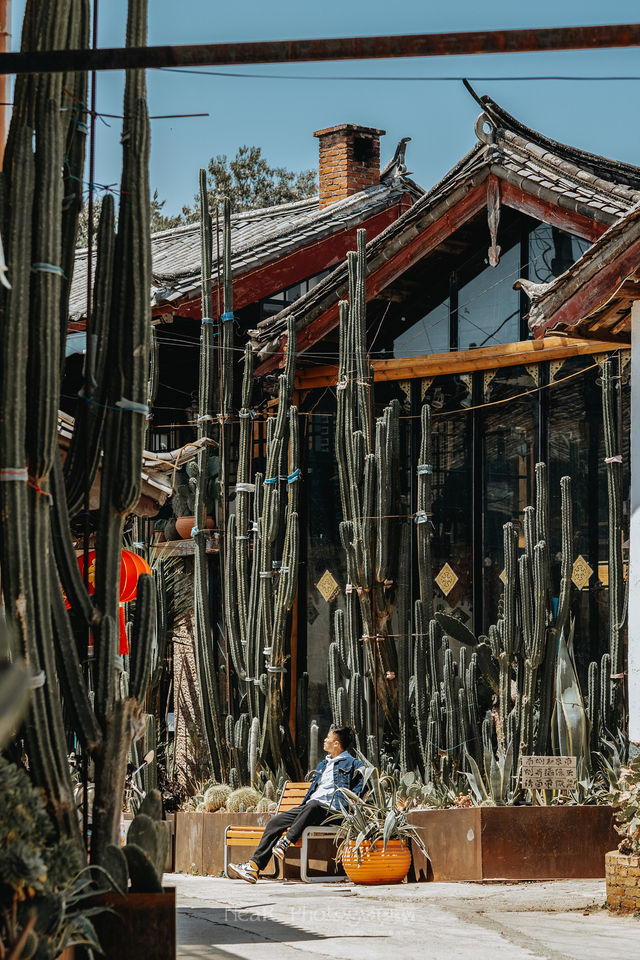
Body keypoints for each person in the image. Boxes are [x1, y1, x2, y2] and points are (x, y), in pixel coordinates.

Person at [227, 724, 364, 883]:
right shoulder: (323, 765)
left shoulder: (353, 764)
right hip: (311, 810)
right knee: (275, 822)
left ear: (337, 744)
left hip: (334, 813)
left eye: (328, 738)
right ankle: (253, 867)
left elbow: (363, 785)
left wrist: (352, 800)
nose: (324, 740)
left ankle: (285, 843)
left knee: (314, 805)